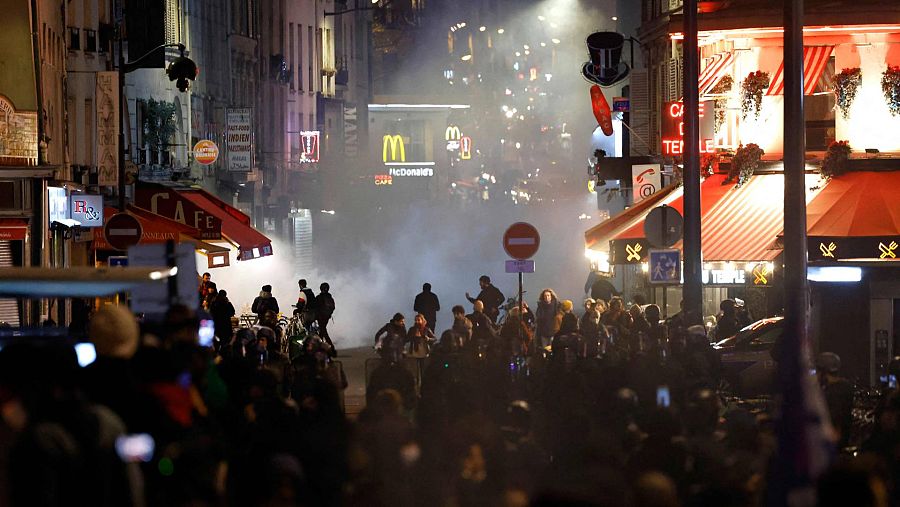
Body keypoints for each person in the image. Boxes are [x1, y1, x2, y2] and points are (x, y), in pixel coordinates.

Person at [817, 352, 854, 449]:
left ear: (823, 371)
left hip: (831, 443)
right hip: (843, 440)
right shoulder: (847, 387)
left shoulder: (829, 391)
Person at [313, 283, 337, 355]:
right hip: (326, 317)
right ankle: (320, 349)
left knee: (323, 332)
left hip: (320, 317)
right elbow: (333, 307)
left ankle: (331, 349)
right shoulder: (330, 297)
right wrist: (328, 314)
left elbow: (315, 307)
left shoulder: (319, 297)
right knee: (322, 332)